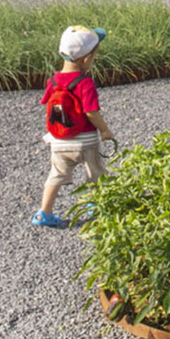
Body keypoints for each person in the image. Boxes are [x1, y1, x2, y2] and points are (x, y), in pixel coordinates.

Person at [33, 25, 116, 228]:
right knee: (95, 173)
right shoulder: (84, 82)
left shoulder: (52, 80)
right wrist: (105, 130)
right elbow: (91, 112)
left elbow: (47, 102)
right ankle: (94, 204)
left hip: (59, 141)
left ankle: (44, 212)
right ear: (86, 59)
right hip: (85, 140)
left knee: (56, 175)